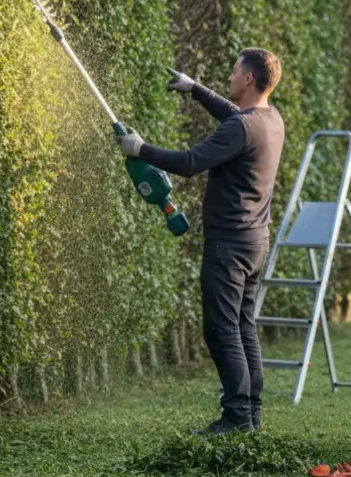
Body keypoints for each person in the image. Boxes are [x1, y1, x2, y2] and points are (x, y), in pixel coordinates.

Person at [118, 48, 285, 435]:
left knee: (222, 329)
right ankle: (250, 414)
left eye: (234, 70)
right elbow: (233, 115)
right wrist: (194, 89)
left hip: (229, 245)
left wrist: (140, 149)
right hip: (254, 242)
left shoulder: (242, 128)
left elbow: (190, 162)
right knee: (243, 326)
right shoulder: (270, 119)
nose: (230, 76)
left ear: (248, 78)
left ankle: (236, 417)